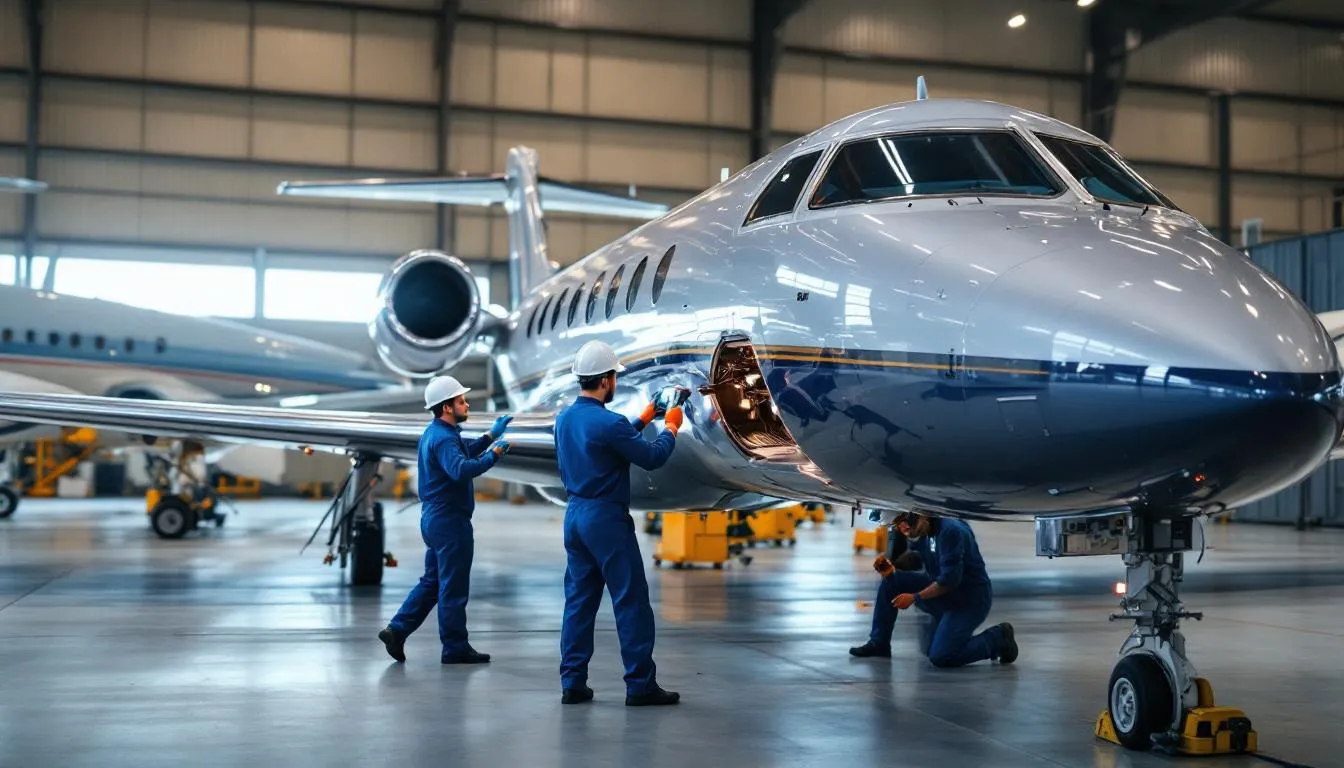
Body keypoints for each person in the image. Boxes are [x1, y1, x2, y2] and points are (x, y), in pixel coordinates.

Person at [554, 340, 683, 706]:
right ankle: (640, 685)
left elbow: (608, 441)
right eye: (614, 377)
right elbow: (652, 457)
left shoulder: (565, 419)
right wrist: (671, 426)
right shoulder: (610, 423)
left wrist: (646, 416)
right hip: (605, 520)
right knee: (630, 601)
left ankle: (573, 683)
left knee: (579, 603)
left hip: (575, 517)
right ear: (606, 380)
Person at [378, 374, 512, 664]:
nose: (467, 404)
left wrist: (490, 436)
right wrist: (494, 455)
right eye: (462, 401)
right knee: (453, 586)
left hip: (434, 519)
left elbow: (461, 453)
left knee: (433, 582)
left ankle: (396, 630)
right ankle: (455, 647)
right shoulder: (444, 438)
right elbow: (461, 469)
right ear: (447, 407)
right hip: (450, 522)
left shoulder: (436, 433)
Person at [849, 510, 1018, 667]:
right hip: (944, 593)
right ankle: (879, 643)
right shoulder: (924, 528)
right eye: (897, 525)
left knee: (941, 656)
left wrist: (915, 597)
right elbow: (917, 557)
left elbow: (949, 582)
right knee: (891, 582)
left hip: (968, 601)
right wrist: (893, 567)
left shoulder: (951, 531)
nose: (902, 529)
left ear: (915, 514)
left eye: (902, 521)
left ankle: (998, 638)